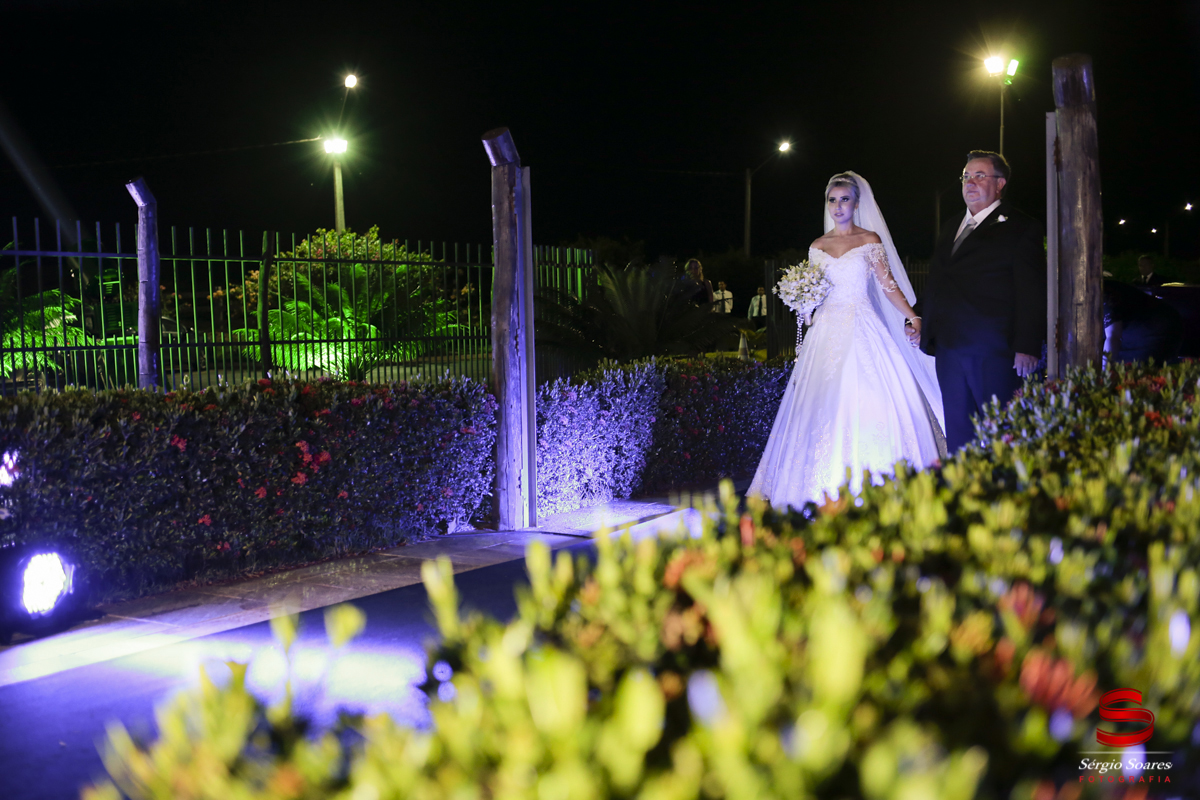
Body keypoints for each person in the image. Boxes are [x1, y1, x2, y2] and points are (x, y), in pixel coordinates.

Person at [749, 172, 945, 509]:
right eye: (832, 200)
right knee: (821, 400)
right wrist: (804, 303)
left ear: (856, 204)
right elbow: (815, 295)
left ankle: (881, 481)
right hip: (826, 330)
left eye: (844, 199)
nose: (838, 206)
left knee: (868, 394)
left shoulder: (869, 240)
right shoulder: (818, 246)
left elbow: (888, 285)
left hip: (862, 323)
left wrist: (912, 315)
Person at [917, 151, 1046, 453]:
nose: (970, 183)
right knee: (960, 433)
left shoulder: (1021, 227)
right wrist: (920, 316)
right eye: (965, 176)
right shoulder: (951, 226)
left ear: (1000, 184)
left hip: (994, 350)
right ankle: (965, 492)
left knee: (1000, 431)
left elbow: (1032, 290)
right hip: (949, 349)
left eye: (979, 176)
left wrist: (1027, 344)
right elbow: (939, 279)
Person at [1103, 278, 1182, 364]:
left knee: (1134, 371)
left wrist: (1102, 373)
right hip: (1132, 332)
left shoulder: (1103, 294)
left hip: (1155, 329)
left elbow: (1113, 337)